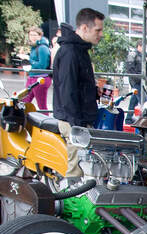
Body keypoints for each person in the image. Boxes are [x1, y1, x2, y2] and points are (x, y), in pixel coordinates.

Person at [52, 8, 104, 179]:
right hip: (73, 120)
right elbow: (67, 91)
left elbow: (76, 85)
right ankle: (71, 195)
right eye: (98, 30)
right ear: (84, 28)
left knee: (83, 167)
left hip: (79, 119)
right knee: (76, 169)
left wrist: (93, 91)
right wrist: (77, 126)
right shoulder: (70, 52)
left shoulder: (79, 50)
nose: (101, 34)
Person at [22, 27, 51, 112]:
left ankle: (46, 120)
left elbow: (42, 66)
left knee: (41, 105)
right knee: (24, 102)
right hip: (33, 77)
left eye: (35, 35)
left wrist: (28, 59)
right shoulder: (35, 47)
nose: (32, 37)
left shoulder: (42, 48)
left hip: (40, 79)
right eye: (31, 35)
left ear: (40, 36)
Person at [125, 41, 144, 121]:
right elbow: (130, 68)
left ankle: (129, 118)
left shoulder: (140, 56)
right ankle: (130, 118)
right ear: (139, 46)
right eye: (143, 46)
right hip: (136, 81)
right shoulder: (134, 55)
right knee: (142, 100)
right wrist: (137, 78)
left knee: (134, 100)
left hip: (138, 80)